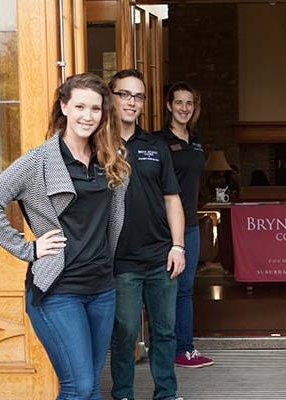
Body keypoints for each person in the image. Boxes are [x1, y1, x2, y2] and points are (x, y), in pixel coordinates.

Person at [0, 73, 130, 399]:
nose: (88, 116)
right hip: (59, 290)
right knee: (79, 386)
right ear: (64, 107)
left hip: (101, 288)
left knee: (91, 389)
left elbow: (113, 220)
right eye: (80, 107)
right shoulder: (39, 161)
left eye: (96, 109)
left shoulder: (109, 158)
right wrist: (27, 248)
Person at [108, 69, 186, 400]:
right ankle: (123, 393)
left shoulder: (156, 145)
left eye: (138, 96)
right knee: (124, 331)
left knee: (164, 331)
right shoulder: (99, 144)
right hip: (121, 259)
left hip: (160, 256)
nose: (132, 102)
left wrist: (179, 246)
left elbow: (172, 199)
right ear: (111, 96)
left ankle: (165, 394)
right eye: (124, 94)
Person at [157, 82, 215, 368]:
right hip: (162, 227)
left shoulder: (197, 141)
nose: (184, 108)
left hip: (189, 224)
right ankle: (164, 349)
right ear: (169, 105)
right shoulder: (158, 141)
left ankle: (185, 349)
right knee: (163, 288)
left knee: (185, 289)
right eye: (178, 102)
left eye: (189, 103)